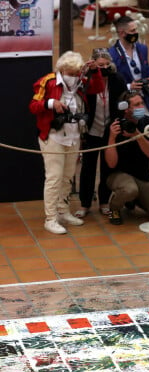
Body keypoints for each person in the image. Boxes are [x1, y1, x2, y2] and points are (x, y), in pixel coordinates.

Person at [29, 51, 104, 235]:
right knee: (54, 178)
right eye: (70, 73)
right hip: (53, 136)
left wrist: (95, 72)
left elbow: (98, 88)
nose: (74, 77)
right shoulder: (48, 81)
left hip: (74, 136)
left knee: (68, 176)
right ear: (61, 69)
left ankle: (63, 211)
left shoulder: (81, 82)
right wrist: (51, 103)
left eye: (76, 73)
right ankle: (51, 218)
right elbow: (33, 106)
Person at [75, 48, 128, 219]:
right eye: (100, 65)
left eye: (107, 64)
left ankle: (104, 201)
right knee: (88, 168)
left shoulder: (117, 80)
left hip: (109, 129)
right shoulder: (87, 80)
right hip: (91, 130)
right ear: (93, 65)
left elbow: (123, 102)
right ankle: (85, 203)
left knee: (107, 168)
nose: (104, 68)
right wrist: (84, 71)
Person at [104, 91, 149, 225]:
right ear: (126, 109)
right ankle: (114, 207)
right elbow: (111, 164)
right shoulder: (114, 126)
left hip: (143, 176)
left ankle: (136, 199)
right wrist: (112, 137)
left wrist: (137, 134)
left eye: (142, 103)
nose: (141, 107)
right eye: (137, 105)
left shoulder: (148, 123)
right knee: (130, 189)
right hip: (119, 175)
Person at [108, 15, 149, 114]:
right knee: (133, 127)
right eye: (132, 31)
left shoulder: (142, 49)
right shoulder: (111, 54)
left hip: (142, 100)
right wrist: (129, 86)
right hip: (125, 104)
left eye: (136, 30)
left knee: (148, 126)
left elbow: (147, 69)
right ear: (122, 33)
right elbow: (111, 83)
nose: (136, 33)